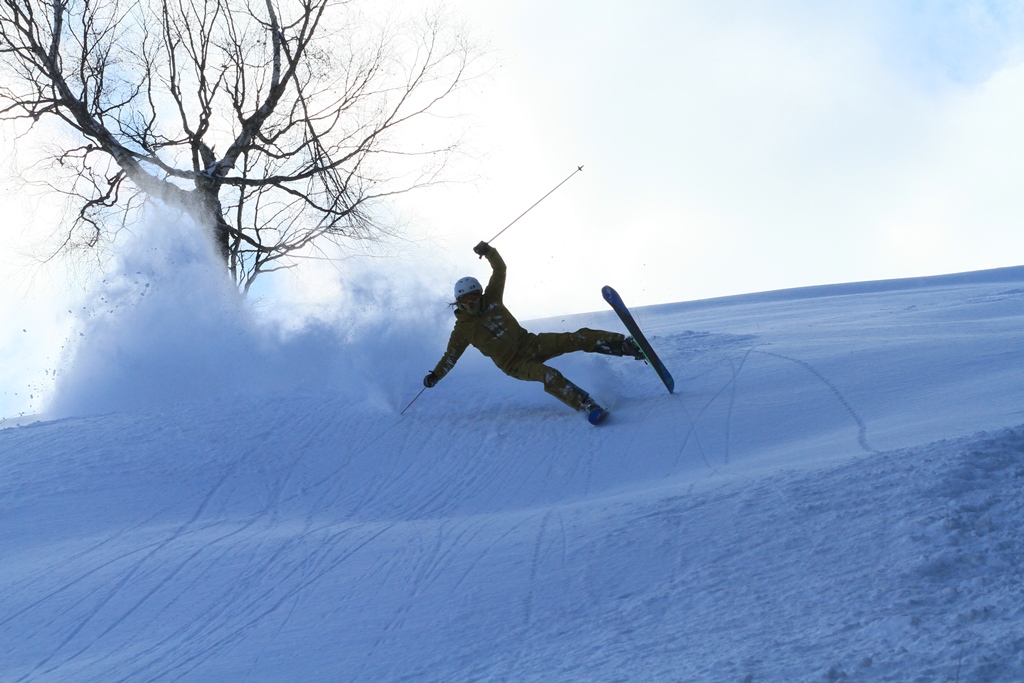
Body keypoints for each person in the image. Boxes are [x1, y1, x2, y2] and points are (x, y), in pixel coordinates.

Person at [423, 241, 644, 419]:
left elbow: (500, 269)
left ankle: (625, 346)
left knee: (577, 337)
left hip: (530, 342)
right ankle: (585, 404)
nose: (470, 303)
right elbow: (450, 357)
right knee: (549, 375)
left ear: (480, 294)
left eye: (473, 297)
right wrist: (435, 376)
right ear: (458, 301)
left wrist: (489, 251)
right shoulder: (463, 330)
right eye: (464, 299)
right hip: (514, 363)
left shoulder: (492, 299)